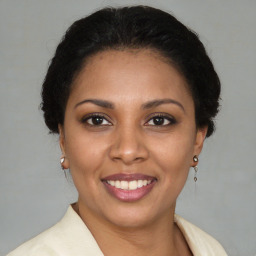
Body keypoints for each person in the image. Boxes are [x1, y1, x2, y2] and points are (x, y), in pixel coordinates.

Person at [7, 5, 227, 256]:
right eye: (98, 120)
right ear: (64, 139)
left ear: (197, 137)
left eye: (158, 121)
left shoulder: (210, 249)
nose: (128, 150)